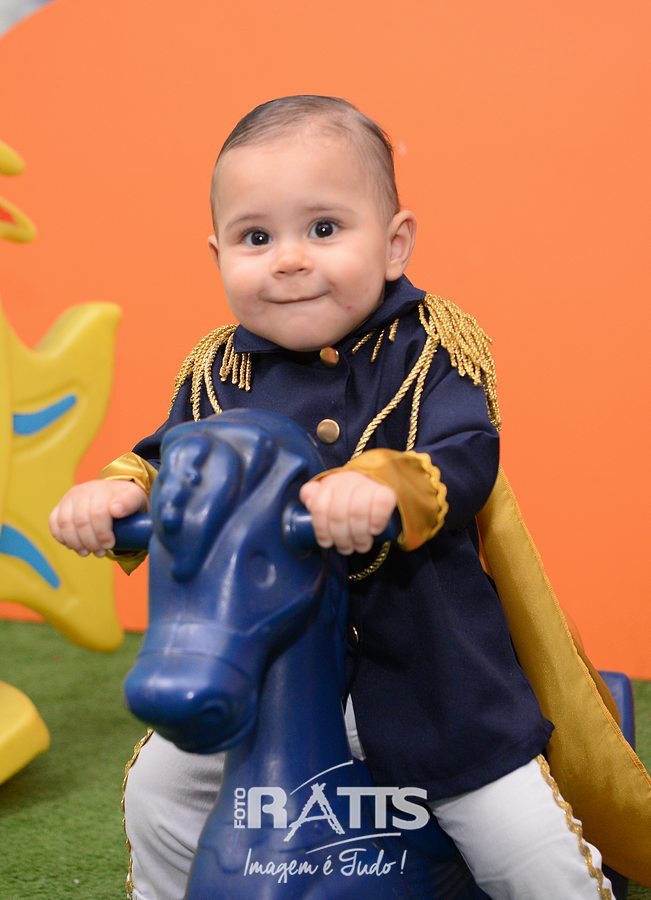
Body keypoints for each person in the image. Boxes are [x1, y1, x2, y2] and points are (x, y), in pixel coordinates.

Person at [49, 96, 614, 899]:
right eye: (255, 238)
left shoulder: (428, 350)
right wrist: (113, 495)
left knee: (516, 836)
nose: (287, 260)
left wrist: (382, 482)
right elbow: (168, 459)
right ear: (216, 254)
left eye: (322, 229)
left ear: (393, 243)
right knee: (158, 791)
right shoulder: (218, 372)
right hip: (266, 677)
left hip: (424, 670)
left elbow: (465, 454)